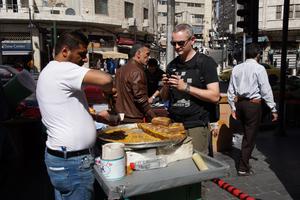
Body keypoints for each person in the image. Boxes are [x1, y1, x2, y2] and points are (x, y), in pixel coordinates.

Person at [36, 30, 116, 200]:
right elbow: (106, 80)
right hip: (73, 163)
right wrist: (109, 90)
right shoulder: (62, 69)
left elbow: (65, 111)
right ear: (65, 51)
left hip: (64, 160)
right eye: (81, 54)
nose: (85, 59)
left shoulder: (50, 71)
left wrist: (95, 117)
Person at [160, 23, 220, 153]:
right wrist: (165, 86)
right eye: (173, 43)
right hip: (175, 124)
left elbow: (215, 96)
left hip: (196, 125)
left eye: (181, 43)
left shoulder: (205, 62)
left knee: (197, 164)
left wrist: (186, 87)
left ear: (192, 40)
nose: (176, 47)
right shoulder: (172, 65)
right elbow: (165, 97)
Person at [227, 43, 278, 176]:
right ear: (257, 55)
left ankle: (244, 159)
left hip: (240, 105)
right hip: (252, 105)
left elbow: (230, 90)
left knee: (245, 134)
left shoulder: (236, 68)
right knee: (250, 136)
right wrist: (273, 108)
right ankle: (243, 167)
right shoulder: (259, 69)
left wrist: (232, 107)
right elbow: (266, 90)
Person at [115, 43, 156, 123]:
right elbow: (140, 98)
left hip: (120, 116)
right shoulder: (137, 71)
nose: (148, 58)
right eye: (147, 54)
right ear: (138, 54)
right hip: (133, 118)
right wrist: (153, 116)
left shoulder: (120, 70)